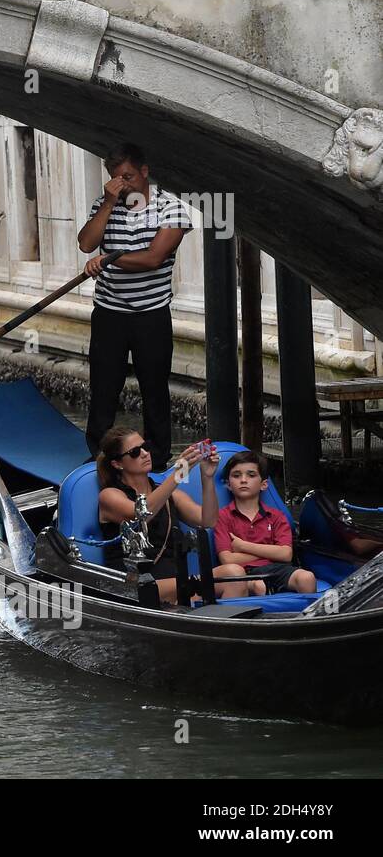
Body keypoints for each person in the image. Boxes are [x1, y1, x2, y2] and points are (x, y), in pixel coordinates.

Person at [79, 143, 194, 470]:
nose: (123, 183)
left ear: (144, 172)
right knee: (103, 387)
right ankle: (101, 456)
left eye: (128, 176)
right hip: (109, 313)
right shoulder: (104, 205)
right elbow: (86, 243)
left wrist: (108, 260)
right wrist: (109, 203)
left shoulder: (170, 209)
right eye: (116, 178)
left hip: (151, 315)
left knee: (154, 388)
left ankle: (156, 457)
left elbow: (153, 258)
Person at [96, 427, 251, 604]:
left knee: (234, 575)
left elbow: (207, 520)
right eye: (135, 452)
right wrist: (178, 474)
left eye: (145, 447)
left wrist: (207, 477)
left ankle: (217, 626)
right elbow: (141, 516)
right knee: (230, 575)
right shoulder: (109, 496)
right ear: (117, 464)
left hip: (175, 582)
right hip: (134, 585)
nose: (145, 454)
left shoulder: (171, 496)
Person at [213, 451, 318, 596]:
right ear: (229, 485)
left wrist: (242, 546)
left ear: (263, 484)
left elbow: (286, 554)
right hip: (245, 572)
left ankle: (308, 617)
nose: (243, 480)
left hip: (278, 568)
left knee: (307, 578)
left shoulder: (276, 516)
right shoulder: (223, 516)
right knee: (259, 586)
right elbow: (227, 559)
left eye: (251, 475)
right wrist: (272, 551)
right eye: (236, 476)